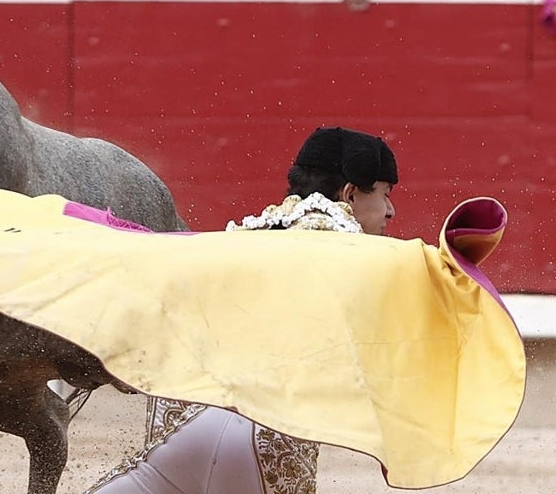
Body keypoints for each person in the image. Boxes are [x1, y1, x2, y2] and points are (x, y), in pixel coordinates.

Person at [85, 126, 398, 494]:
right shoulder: (357, 252)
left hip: (183, 429)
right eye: (384, 194)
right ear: (349, 193)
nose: (390, 210)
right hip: (268, 449)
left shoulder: (246, 235)